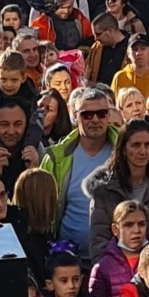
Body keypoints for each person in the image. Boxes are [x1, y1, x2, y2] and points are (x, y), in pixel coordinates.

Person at [85, 120, 149, 261]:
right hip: (115, 269)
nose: (143, 151)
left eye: (147, 145)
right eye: (136, 145)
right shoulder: (104, 190)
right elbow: (99, 245)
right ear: (123, 149)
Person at [41, 87, 118, 262]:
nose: (95, 120)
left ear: (109, 115)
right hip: (68, 261)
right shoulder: (56, 157)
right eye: (87, 115)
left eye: (102, 113)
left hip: (116, 260)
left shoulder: (125, 150)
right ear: (75, 116)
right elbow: (42, 211)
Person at [89, 199, 148, 297]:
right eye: (128, 225)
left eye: (141, 224)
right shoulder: (103, 267)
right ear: (115, 229)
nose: (136, 230)